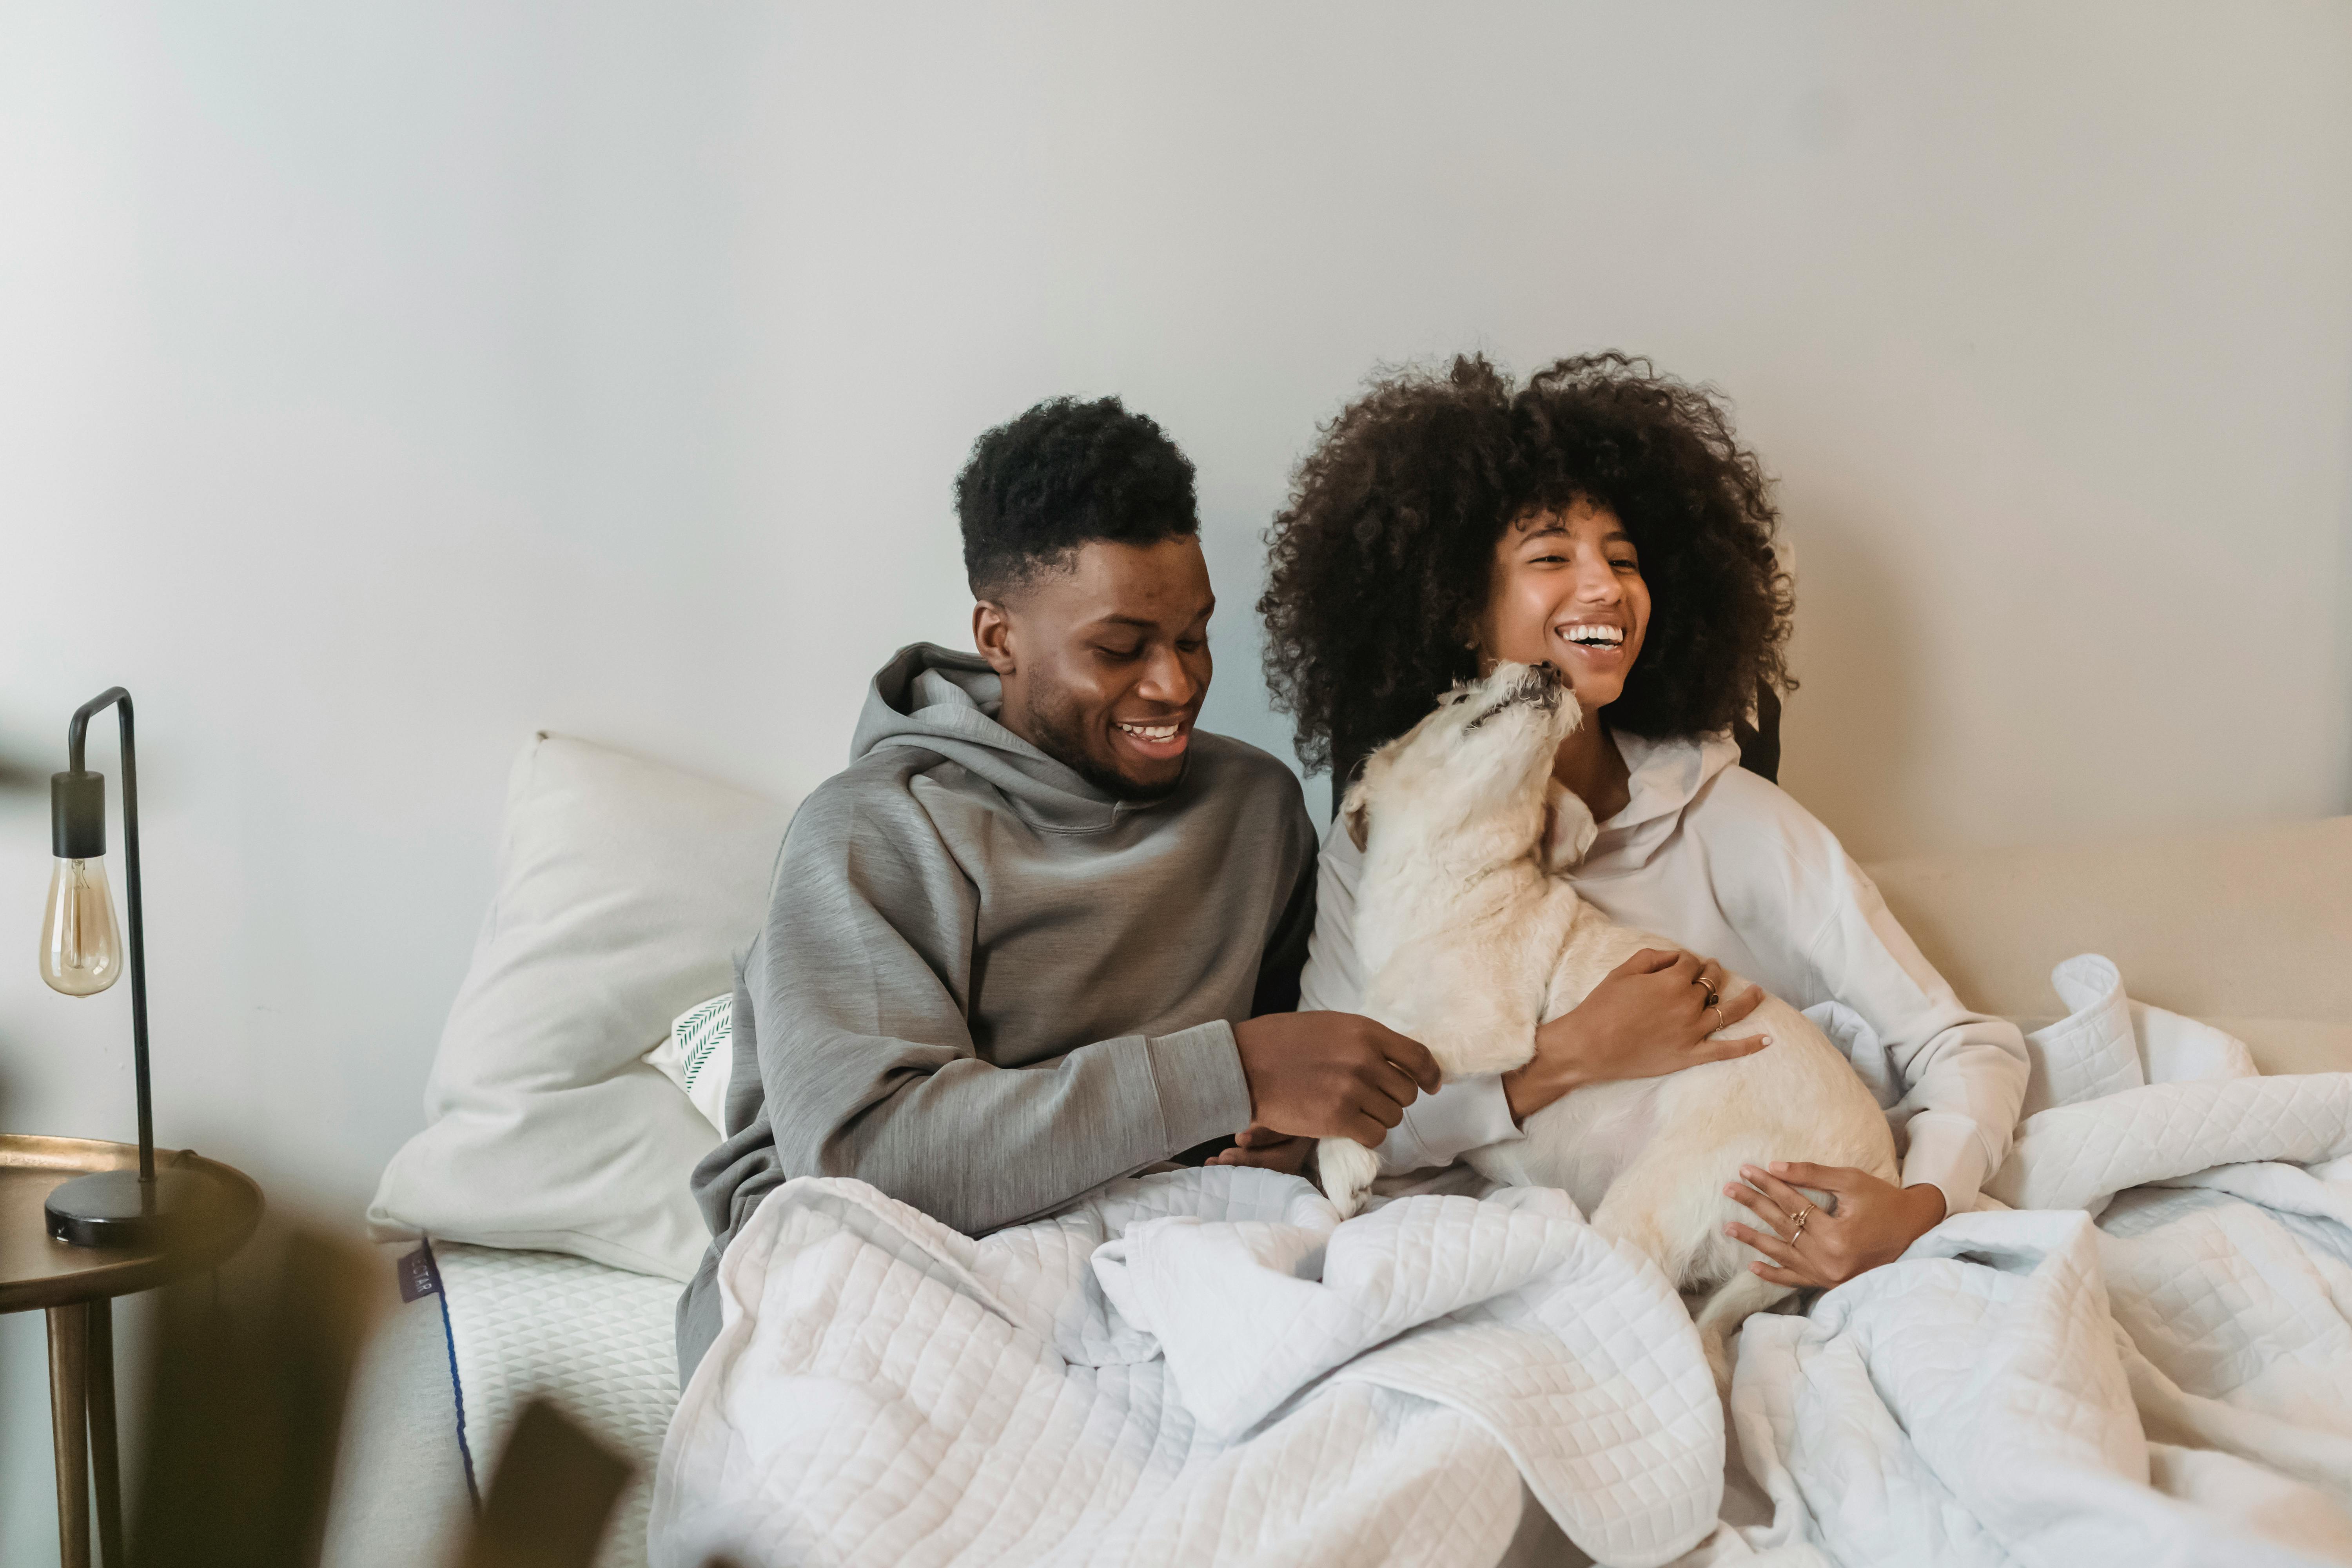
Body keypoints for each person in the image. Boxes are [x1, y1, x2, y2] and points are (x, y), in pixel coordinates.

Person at [677, 395, 1441, 1377]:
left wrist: (1281, 1133)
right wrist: (1233, 1070)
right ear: (999, 637)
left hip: (1174, 1257)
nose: (1174, 685)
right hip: (893, 1269)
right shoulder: (876, 828)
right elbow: (871, 1157)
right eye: (1120, 650)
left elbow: (1295, 1069)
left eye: (1195, 637)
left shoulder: (1255, 807)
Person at [1237, 353, 2030, 1290]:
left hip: (1721, 1217)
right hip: (1511, 1245)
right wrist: (1569, 1056)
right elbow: (1351, 1116)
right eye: (1551, 558)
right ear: (1458, 608)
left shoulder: (1728, 819)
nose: (1607, 587)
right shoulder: (1381, 841)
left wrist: (1919, 1206)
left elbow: (1964, 1042)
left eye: (1624, 559)